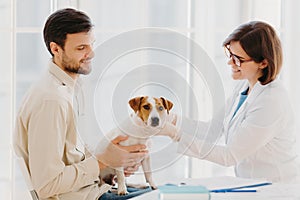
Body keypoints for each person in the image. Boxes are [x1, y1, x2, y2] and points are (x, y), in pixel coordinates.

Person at [13, 8, 152, 199]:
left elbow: (75, 156)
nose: (91, 53)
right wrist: (102, 162)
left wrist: (113, 164)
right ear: (56, 49)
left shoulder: (74, 86)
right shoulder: (51, 101)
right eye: (81, 48)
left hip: (97, 188)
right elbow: (46, 185)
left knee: (162, 192)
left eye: (91, 45)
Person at [177, 21, 300, 182]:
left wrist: (175, 134)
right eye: (230, 55)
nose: (230, 63)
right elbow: (212, 130)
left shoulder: (272, 101)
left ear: (263, 63)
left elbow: (229, 156)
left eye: (238, 59)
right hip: (252, 184)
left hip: (276, 188)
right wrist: (172, 121)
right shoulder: (244, 87)